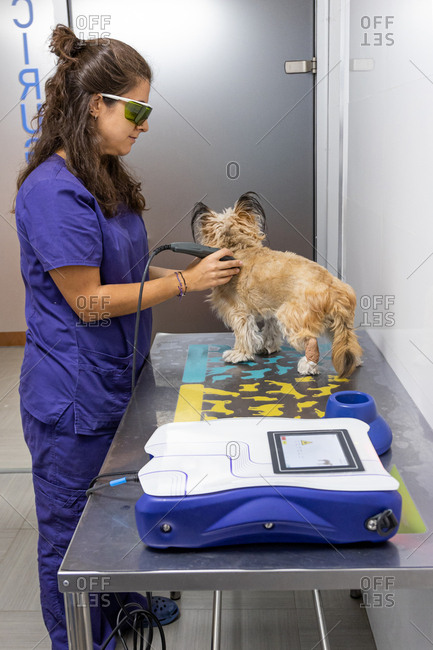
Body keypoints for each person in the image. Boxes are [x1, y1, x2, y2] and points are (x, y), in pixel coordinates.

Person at [13, 24, 241, 650]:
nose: (144, 125)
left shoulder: (104, 176)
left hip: (117, 379)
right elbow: (89, 300)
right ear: (97, 105)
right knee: (70, 533)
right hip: (74, 398)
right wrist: (183, 285)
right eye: (136, 110)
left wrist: (200, 275)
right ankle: (82, 637)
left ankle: (130, 602)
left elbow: (127, 275)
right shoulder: (54, 192)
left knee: (116, 507)